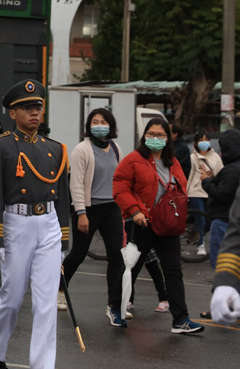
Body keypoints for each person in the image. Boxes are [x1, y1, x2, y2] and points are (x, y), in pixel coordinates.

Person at [0, 79, 70, 369]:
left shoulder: (55, 149)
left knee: (46, 302)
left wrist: (63, 238)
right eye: (27, 108)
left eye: (38, 107)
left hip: (47, 222)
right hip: (16, 223)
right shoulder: (0, 146)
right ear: (12, 112)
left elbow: (61, 196)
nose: (34, 113)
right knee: (12, 296)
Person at [113, 118, 203, 335]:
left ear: (168, 138)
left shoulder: (173, 161)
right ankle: (115, 308)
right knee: (131, 268)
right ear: (144, 136)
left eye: (161, 135)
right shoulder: (133, 160)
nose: (156, 139)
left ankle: (180, 319)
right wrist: (134, 211)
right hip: (142, 223)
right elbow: (120, 188)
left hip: (167, 226)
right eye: (151, 134)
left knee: (173, 271)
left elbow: (181, 190)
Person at [62, 108, 127, 326]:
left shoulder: (116, 148)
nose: (100, 125)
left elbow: (121, 178)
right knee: (78, 254)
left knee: (118, 257)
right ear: (89, 126)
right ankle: (60, 288)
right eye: (95, 122)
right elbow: (76, 183)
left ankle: (114, 306)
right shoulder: (82, 149)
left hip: (112, 208)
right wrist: (81, 213)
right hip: (88, 209)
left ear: (111, 125)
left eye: (104, 121)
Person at [200, 130, 240, 319]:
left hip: (224, 222)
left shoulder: (231, 169)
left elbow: (221, 194)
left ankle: (230, 308)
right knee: (234, 265)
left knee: (224, 267)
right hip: (238, 222)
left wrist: (206, 181)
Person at [187, 132, 222, 257]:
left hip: (210, 191)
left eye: (206, 139)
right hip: (195, 191)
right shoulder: (192, 158)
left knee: (210, 218)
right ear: (196, 143)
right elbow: (190, 176)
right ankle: (200, 244)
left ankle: (198, 234)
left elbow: (220, 174)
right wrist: (186, 192)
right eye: (201, 140)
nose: (204, 142)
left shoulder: (216, 157)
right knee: (200, 218)